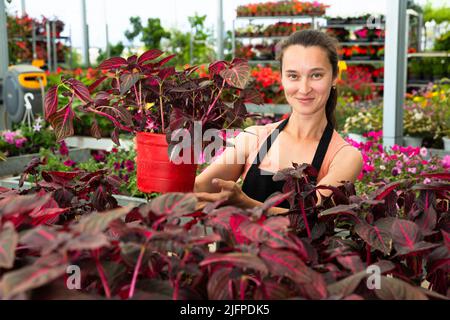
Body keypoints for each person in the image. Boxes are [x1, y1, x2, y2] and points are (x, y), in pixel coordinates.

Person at [194, 30, 363, 215]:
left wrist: (245, 205)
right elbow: (199, 189)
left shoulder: (344, 157)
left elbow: (314, 219)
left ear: (334, 77)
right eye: (293, 76)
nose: (304, 88)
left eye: (316, 75)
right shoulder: (253, 138)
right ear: (281, 77)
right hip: (237, 244)